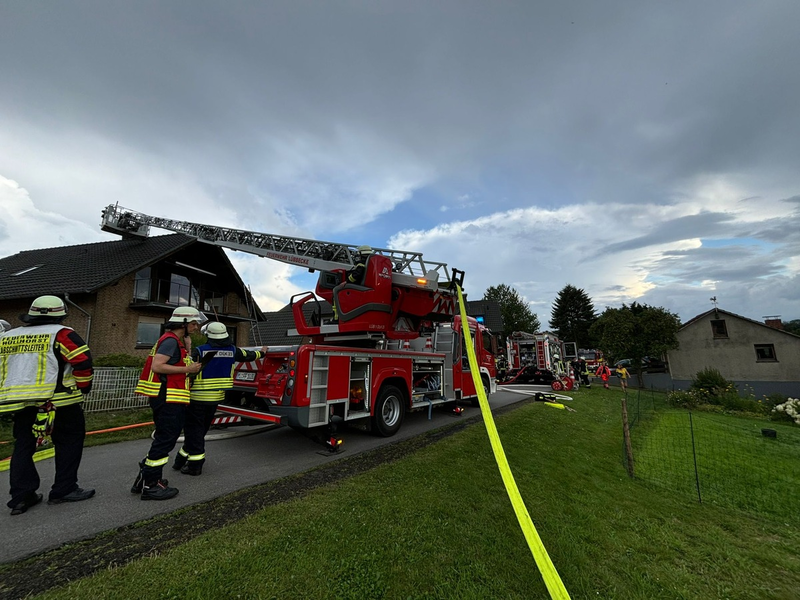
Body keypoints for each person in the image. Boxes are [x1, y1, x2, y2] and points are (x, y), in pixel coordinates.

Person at [0, 295, 95, 515]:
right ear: (61, 314)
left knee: (24, 446)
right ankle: (64, 490)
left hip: (21, 403)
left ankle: (21, 497)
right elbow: (82, 360)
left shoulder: (8, 336)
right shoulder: (61, 334)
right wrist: (84, 386)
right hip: (60, 402)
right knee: (69, 443)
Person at [131, 306, 206, 500]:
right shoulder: (171, 341)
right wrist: (187, 369)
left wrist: (188, 350)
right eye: (193, 323)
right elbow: (158, 366)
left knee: (165, 438)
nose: (196, 327)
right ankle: (151, 486)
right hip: (167, 398)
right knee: (165, 439)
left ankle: (146, 478)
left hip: (167, 397)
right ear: (183, 324)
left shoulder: (173, 341)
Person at [172, 322, 266, 476]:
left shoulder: (200, 351)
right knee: (199, 430)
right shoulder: (232, 350)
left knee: (194, 430)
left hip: (197, 398)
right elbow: (249, 356)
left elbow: (186, 367)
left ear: (208, 335)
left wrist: (188, 348)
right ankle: (180, 460)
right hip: (216, 398)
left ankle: (195, 465)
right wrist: (262, 352)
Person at [332, 245, 374, 321]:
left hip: (357, 286)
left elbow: (356, 275)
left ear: (361, 253)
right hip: (363, 286)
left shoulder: (361, 263)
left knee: (336, 290)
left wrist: (346, 281)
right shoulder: (371, 262)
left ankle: (337, 318)